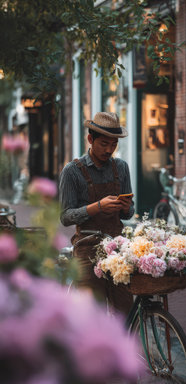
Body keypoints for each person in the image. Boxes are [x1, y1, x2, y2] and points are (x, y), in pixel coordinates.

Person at [59, 112, 134, 314]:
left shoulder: (121, 167)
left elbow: (128, 214)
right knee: (92, 314)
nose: (109, 150)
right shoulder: (72, 171)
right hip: (87, 248)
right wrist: (97, 206)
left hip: (117, 246)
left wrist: (127, 207)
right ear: (90, 139)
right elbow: (65, 217)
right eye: (104, 144)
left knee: (125, 311)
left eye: (113, 144)